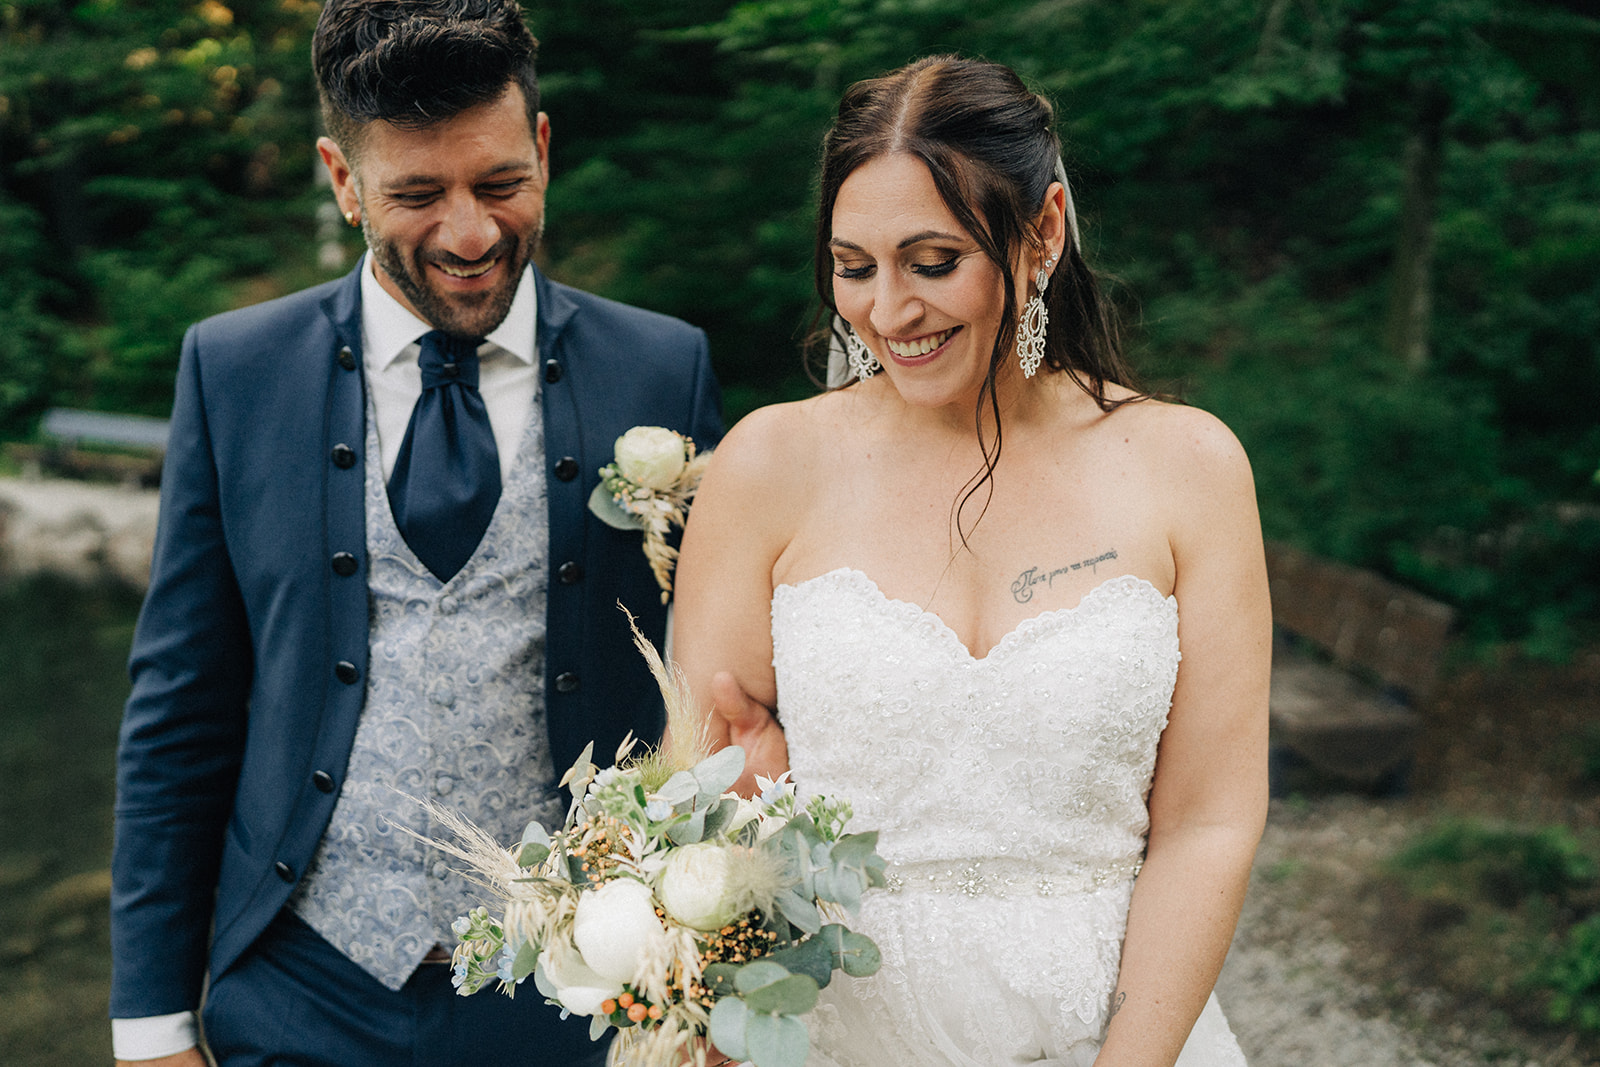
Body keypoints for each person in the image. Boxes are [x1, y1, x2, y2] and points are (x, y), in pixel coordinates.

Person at [108, 2, 722, 1064]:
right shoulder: (235, 372)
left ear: (542, 147)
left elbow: (719, 695)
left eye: (497, 183)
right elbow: (180, 709)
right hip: (302, 988)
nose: (470, 234)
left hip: (584, 999)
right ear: (343, 184)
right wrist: (152, 1021)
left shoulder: (663, 369)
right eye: (416, 194)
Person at [671, 56, 1269, 1066]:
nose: (888, 312)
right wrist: (746, 812)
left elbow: (1207, 823)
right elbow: (698, 805)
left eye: (932, 261)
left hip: (1114, 1033)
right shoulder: (768, 464)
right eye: (854, 267)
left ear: (1041, 231)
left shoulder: (1188, 466)